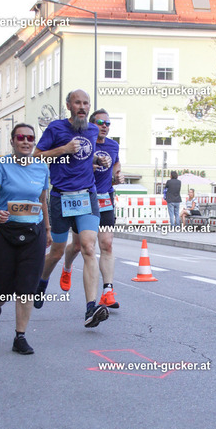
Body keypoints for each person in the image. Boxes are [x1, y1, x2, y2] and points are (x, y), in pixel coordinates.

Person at [32, 89, 110, 328]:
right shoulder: (56, 128)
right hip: (60, 197)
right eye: (78, 102)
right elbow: (36, 156)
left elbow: (86, 156)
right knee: (56, 252)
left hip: (87, 195)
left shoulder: (93, 130)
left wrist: (99, 160)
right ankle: (42, 281)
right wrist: (63, 150)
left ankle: (90, 308)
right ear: (69, 105)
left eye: (86, 103)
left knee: (88, 247)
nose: (82, 107)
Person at [0, 123, 51, 355]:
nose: (26, 141)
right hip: (4, 231)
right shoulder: (0, 165)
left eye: (30, 138)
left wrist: (47, 229)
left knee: (27, 287)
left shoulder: (41, 168)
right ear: (12, 141)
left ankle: (20, 337)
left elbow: (42, 201)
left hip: (33, 232)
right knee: (0, 289)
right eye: (21, 137)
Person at [59, 109, 124, 308]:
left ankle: (108, 292)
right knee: (78, 246)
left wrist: (118, 175)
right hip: (84, 198)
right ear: (91, 124)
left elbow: (116, 164)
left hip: (105, 199)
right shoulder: (85, 143)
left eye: (108, 123)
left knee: (107, 244)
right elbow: (69, 168)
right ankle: (67, 267)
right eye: (100, 122)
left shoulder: (113, 145)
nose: (104, 126)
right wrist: (88, 168)